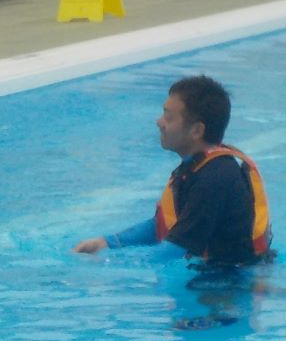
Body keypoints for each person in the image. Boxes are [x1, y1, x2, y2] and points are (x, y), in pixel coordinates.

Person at [73, 75, 273, 266]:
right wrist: (107, 243)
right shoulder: (198, 166)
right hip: (215, 272)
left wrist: (109, 267)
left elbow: (175, 249)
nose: (159, 122)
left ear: (197, 131)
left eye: (168, 117)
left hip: (232, 283)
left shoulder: (215, 178)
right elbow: (163, 225)